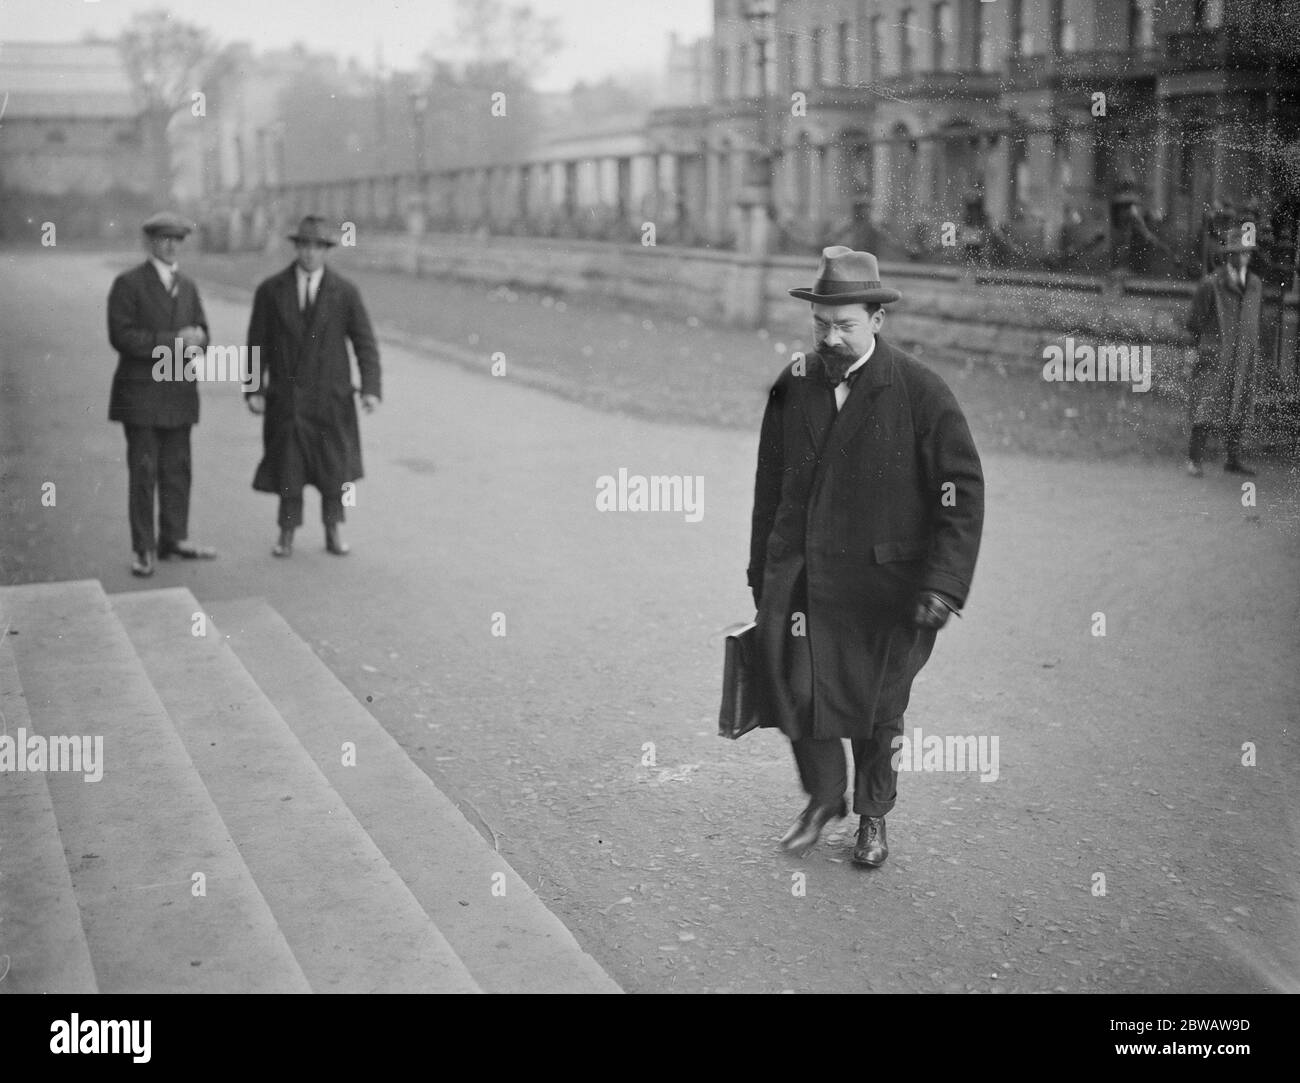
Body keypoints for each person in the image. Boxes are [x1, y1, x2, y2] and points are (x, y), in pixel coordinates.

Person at [748, 246, 984, 867]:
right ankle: (825, 797)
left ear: (877, 320)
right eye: (822, 323)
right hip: (802, 578)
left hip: (887, 587)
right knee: (796, 689)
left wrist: (944, 583)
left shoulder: (921, 392)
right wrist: (761, 571)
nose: (831, 337)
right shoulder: (792, 384)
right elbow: (767, 486)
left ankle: (873, 816)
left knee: (879, 708)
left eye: (845, 324)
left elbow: (959, 494)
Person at [245, 215, 381, 556]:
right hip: (287, 397)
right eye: (303, 246)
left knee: (332, 468)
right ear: (296, 248)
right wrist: (253, 389)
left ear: (326, 251)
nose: (309, 254)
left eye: (317, 247)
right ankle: (286, 533)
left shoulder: (345, 292)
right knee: (289, 467)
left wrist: (370, 388)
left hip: (329, 397)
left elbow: (364, 342)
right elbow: (255, 345)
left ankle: (333, 530)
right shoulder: (271, 290)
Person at [107, 211, 217, 577]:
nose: (171, 245)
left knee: (177, 471)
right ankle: (144, 548)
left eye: (177, 239)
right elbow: (122, 337)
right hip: (140, 398)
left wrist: (200, 338)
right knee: (144, 472)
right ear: (149, 242)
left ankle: (174, 538)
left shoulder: (187, 286)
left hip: (179, 394)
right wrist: (175, 341)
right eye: (163, 239)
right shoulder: (129, 284)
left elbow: (202, 331)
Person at [1185, 227, 1262, 477]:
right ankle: (1195, 460)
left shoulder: (1254, 285)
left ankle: (1233, 459)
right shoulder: (1212, 283)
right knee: (1207, 405)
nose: (1244, 258)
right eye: (1239, 253)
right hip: (1216, 354)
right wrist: (1202, 347)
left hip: (1243, 356)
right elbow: (1194, 322)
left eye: (1247, 253)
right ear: (1229, 255)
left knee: (1239, 404)